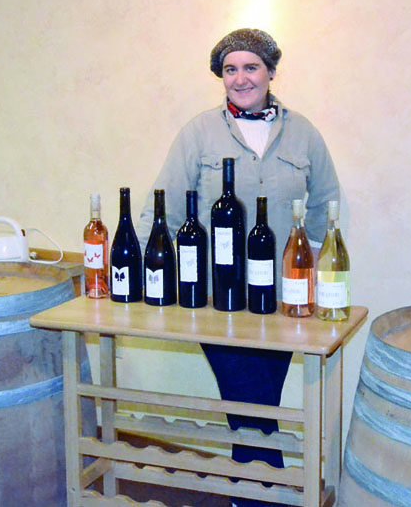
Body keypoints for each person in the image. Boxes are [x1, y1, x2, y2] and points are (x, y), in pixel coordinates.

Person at [137, 28, 340, 507]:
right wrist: (145, 279)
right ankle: (264, 497)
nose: (241, 78)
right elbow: (159, 211)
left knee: (256, 406)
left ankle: (249, 494)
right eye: (230, 69)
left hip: (283, 300)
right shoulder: (198, 133)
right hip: (217, 298)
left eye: (251, 67)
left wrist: (305, 264)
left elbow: (325, 206)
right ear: (220, 77)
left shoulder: (305, 133)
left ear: (271, 71)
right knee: (249, 404)